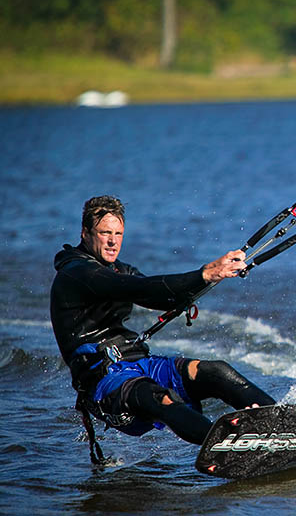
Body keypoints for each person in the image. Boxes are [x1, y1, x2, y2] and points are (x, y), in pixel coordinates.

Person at [51, 195, 276, 463]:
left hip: (139, 363)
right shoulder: (77, 272)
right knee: (162, 398)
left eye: (118, 233)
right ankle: (229, 449)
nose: (113, 241)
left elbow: (157, 296)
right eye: (104, 233)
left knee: (216, 371)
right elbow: (133, 288)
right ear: (85, 233)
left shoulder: (120, 269)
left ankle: (281, 425)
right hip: (104, 381)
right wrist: (204, 273)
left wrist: (210, 278)